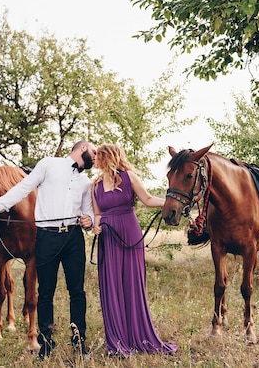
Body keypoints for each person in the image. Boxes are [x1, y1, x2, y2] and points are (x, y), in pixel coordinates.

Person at [0, 140, 96, 361]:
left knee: (77, 292)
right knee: (45, 292)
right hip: (47, 236)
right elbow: (21, 189)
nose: (96, 156)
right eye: (94, 151)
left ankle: (79, 343)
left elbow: (87, 213)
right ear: (82, 148)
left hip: (73, 238)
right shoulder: (48, 164)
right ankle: (46, 345)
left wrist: (88, 221)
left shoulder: (86, 183)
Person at [91, 143, 177, 357]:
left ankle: (139, 336)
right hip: (108, 237)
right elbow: (98, 215)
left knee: (132, 284)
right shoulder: (94, 186)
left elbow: (147, 199)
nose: (95, 160)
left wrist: (169, 202)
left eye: (98, 156)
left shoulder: (128, 177)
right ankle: (117, 342)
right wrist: (95, 226)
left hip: (129, 232)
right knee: (111, 287)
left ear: (107, 157)